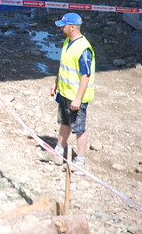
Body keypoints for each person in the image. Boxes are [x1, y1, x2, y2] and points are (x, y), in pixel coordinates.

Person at [39, 13, 96, 173]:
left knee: (79, 128)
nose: (61, 29)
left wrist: (78, 99)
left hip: (76, 97)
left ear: (72, 27)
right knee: (64, 123)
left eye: (63, 26)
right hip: (65, 93)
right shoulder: (67, 42)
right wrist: (55, 83)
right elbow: (64, 65)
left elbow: (85, 76)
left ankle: (81, 159)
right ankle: (58, 152)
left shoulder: (83, 48)